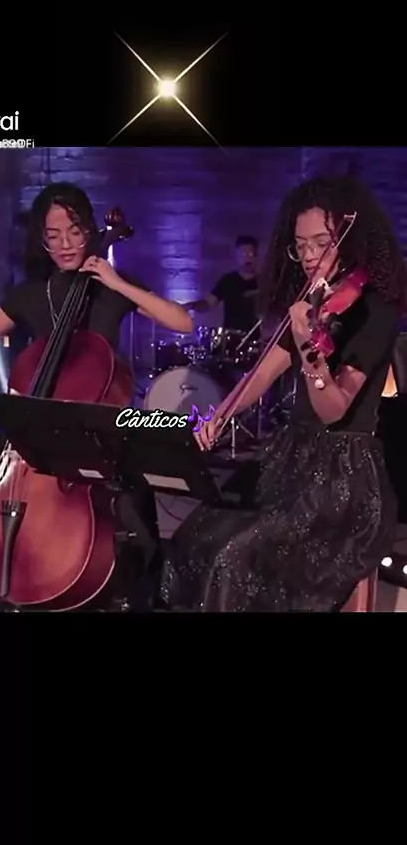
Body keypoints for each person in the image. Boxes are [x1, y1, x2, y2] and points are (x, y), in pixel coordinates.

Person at [0, 181, 193, 612]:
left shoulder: (112, 287)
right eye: (54, 236)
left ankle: (127, 594)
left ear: (89, 230)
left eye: (74, 231)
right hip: (36, 436)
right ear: (42, 241)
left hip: (96, 432)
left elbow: (182, 322)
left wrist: (117, 282)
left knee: (133, 509)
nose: (66, 244)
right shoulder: (32, 295)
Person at [161, 175, 405, 612]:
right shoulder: (314, 301)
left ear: (350, 239)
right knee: (194, 536)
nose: (309, 256)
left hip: (344, 477)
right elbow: (264, 371)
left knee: (237, 559)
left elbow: (333, 410)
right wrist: (223, 413)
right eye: (301, 246)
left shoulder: (375, 308)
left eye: (321, 244)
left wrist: (311, 353)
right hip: (293, 460)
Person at [184, 235, 260, 334]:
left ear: (256, 256)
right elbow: (208, 303)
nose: (246, 259)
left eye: (250, 254)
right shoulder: (228, 281)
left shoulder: (264, 282)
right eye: (242, 254)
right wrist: (191, 306)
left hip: (258, 338)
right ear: (236, 256)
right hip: (232, 336)